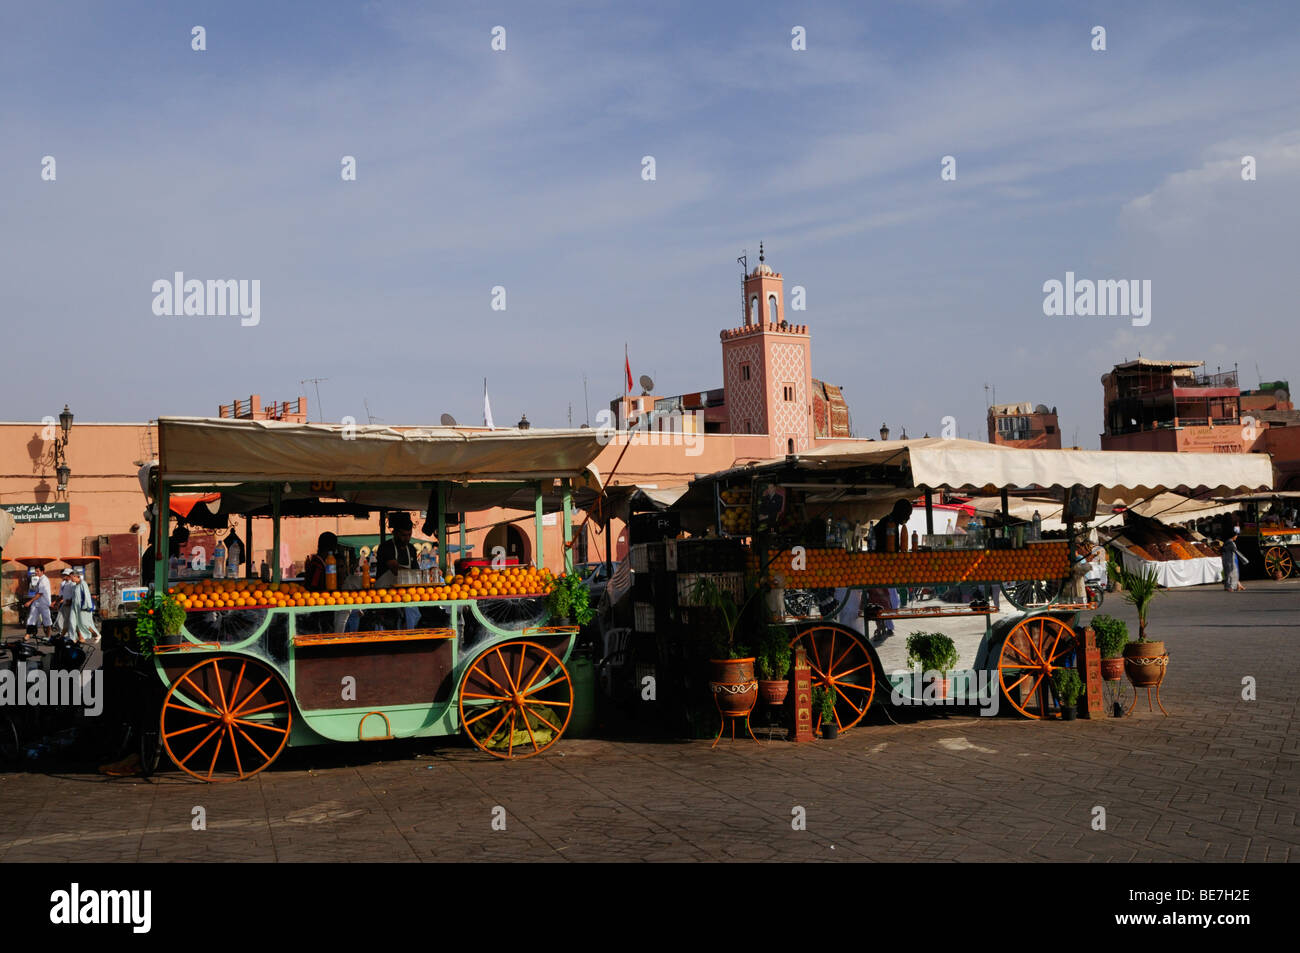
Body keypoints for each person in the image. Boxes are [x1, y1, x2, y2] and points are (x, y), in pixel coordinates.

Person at [869, 500, 913, 643]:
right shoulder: (888, 524)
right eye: (907, 514)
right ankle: (882, 625)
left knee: (886, 598)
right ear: (901, 512)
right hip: (879, 568)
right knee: (882, 598)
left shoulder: (891, 522)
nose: (909, 518)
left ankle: (884, 625)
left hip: (884, 568)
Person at [23, 565, 54, 638]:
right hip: (36, 602)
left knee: (47, 620)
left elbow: (40, 593)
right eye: (35, 571)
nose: (36, 573)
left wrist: (30, 602)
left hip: (44, 603)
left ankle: (48, 636)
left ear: (42, 572)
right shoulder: (39, 579)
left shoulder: (44, 580)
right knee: (31, 618)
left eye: (38, 571)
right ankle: (27, 635)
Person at [56, 568, 76, 635]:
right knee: (62, 620)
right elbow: (62, 595)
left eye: (65, 574)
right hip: (65, 604)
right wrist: (57, 602)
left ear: (69, 575)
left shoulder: (72, 584)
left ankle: (71, 635)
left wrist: (70, 601)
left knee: (70, 621)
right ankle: (63, 634)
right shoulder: (64, 583)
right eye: (63, 574)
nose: (63, 576)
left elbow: (74, 594)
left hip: (70, 605)